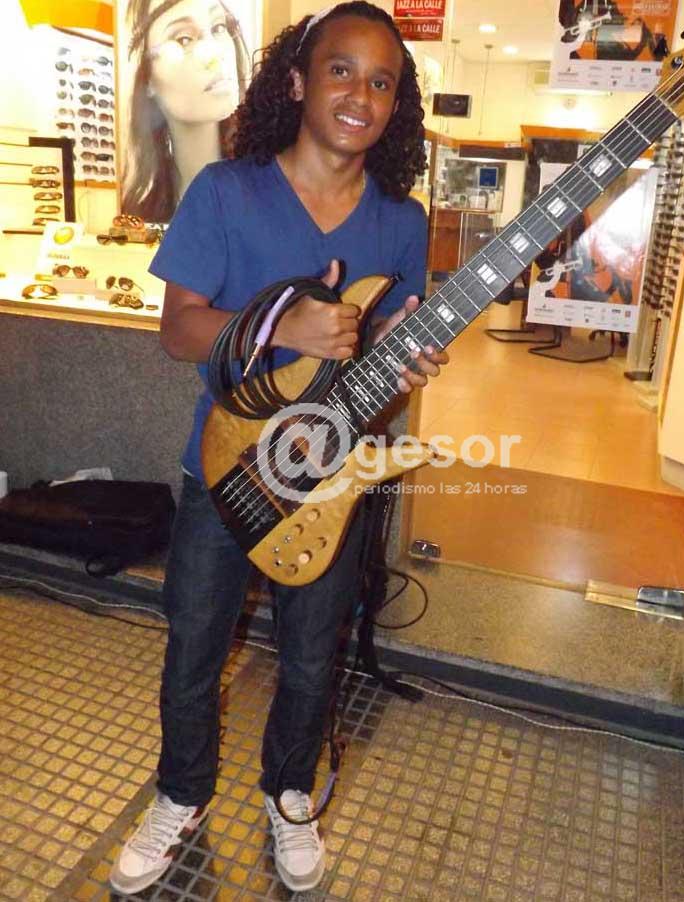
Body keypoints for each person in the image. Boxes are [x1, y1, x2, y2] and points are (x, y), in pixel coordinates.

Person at [109, 2, 449, 895]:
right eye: (341, 71)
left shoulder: (401, 220)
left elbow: (380, 358)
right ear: (297, 82)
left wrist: (401, 360)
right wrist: (280, 324)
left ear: (396, 106)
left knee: (309, 655)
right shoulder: (227, 191)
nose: (360, 95)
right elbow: (179, 331)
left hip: (329, 477)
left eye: (382, 82)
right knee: (193, 648)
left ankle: (288, 793)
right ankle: (180, 796)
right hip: (222, 469)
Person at [121, 0, 251, 222]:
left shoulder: (265, 191)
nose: (213, 55)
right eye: (183, 39)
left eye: (219, 27)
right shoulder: (144, 216)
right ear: (148, 76)